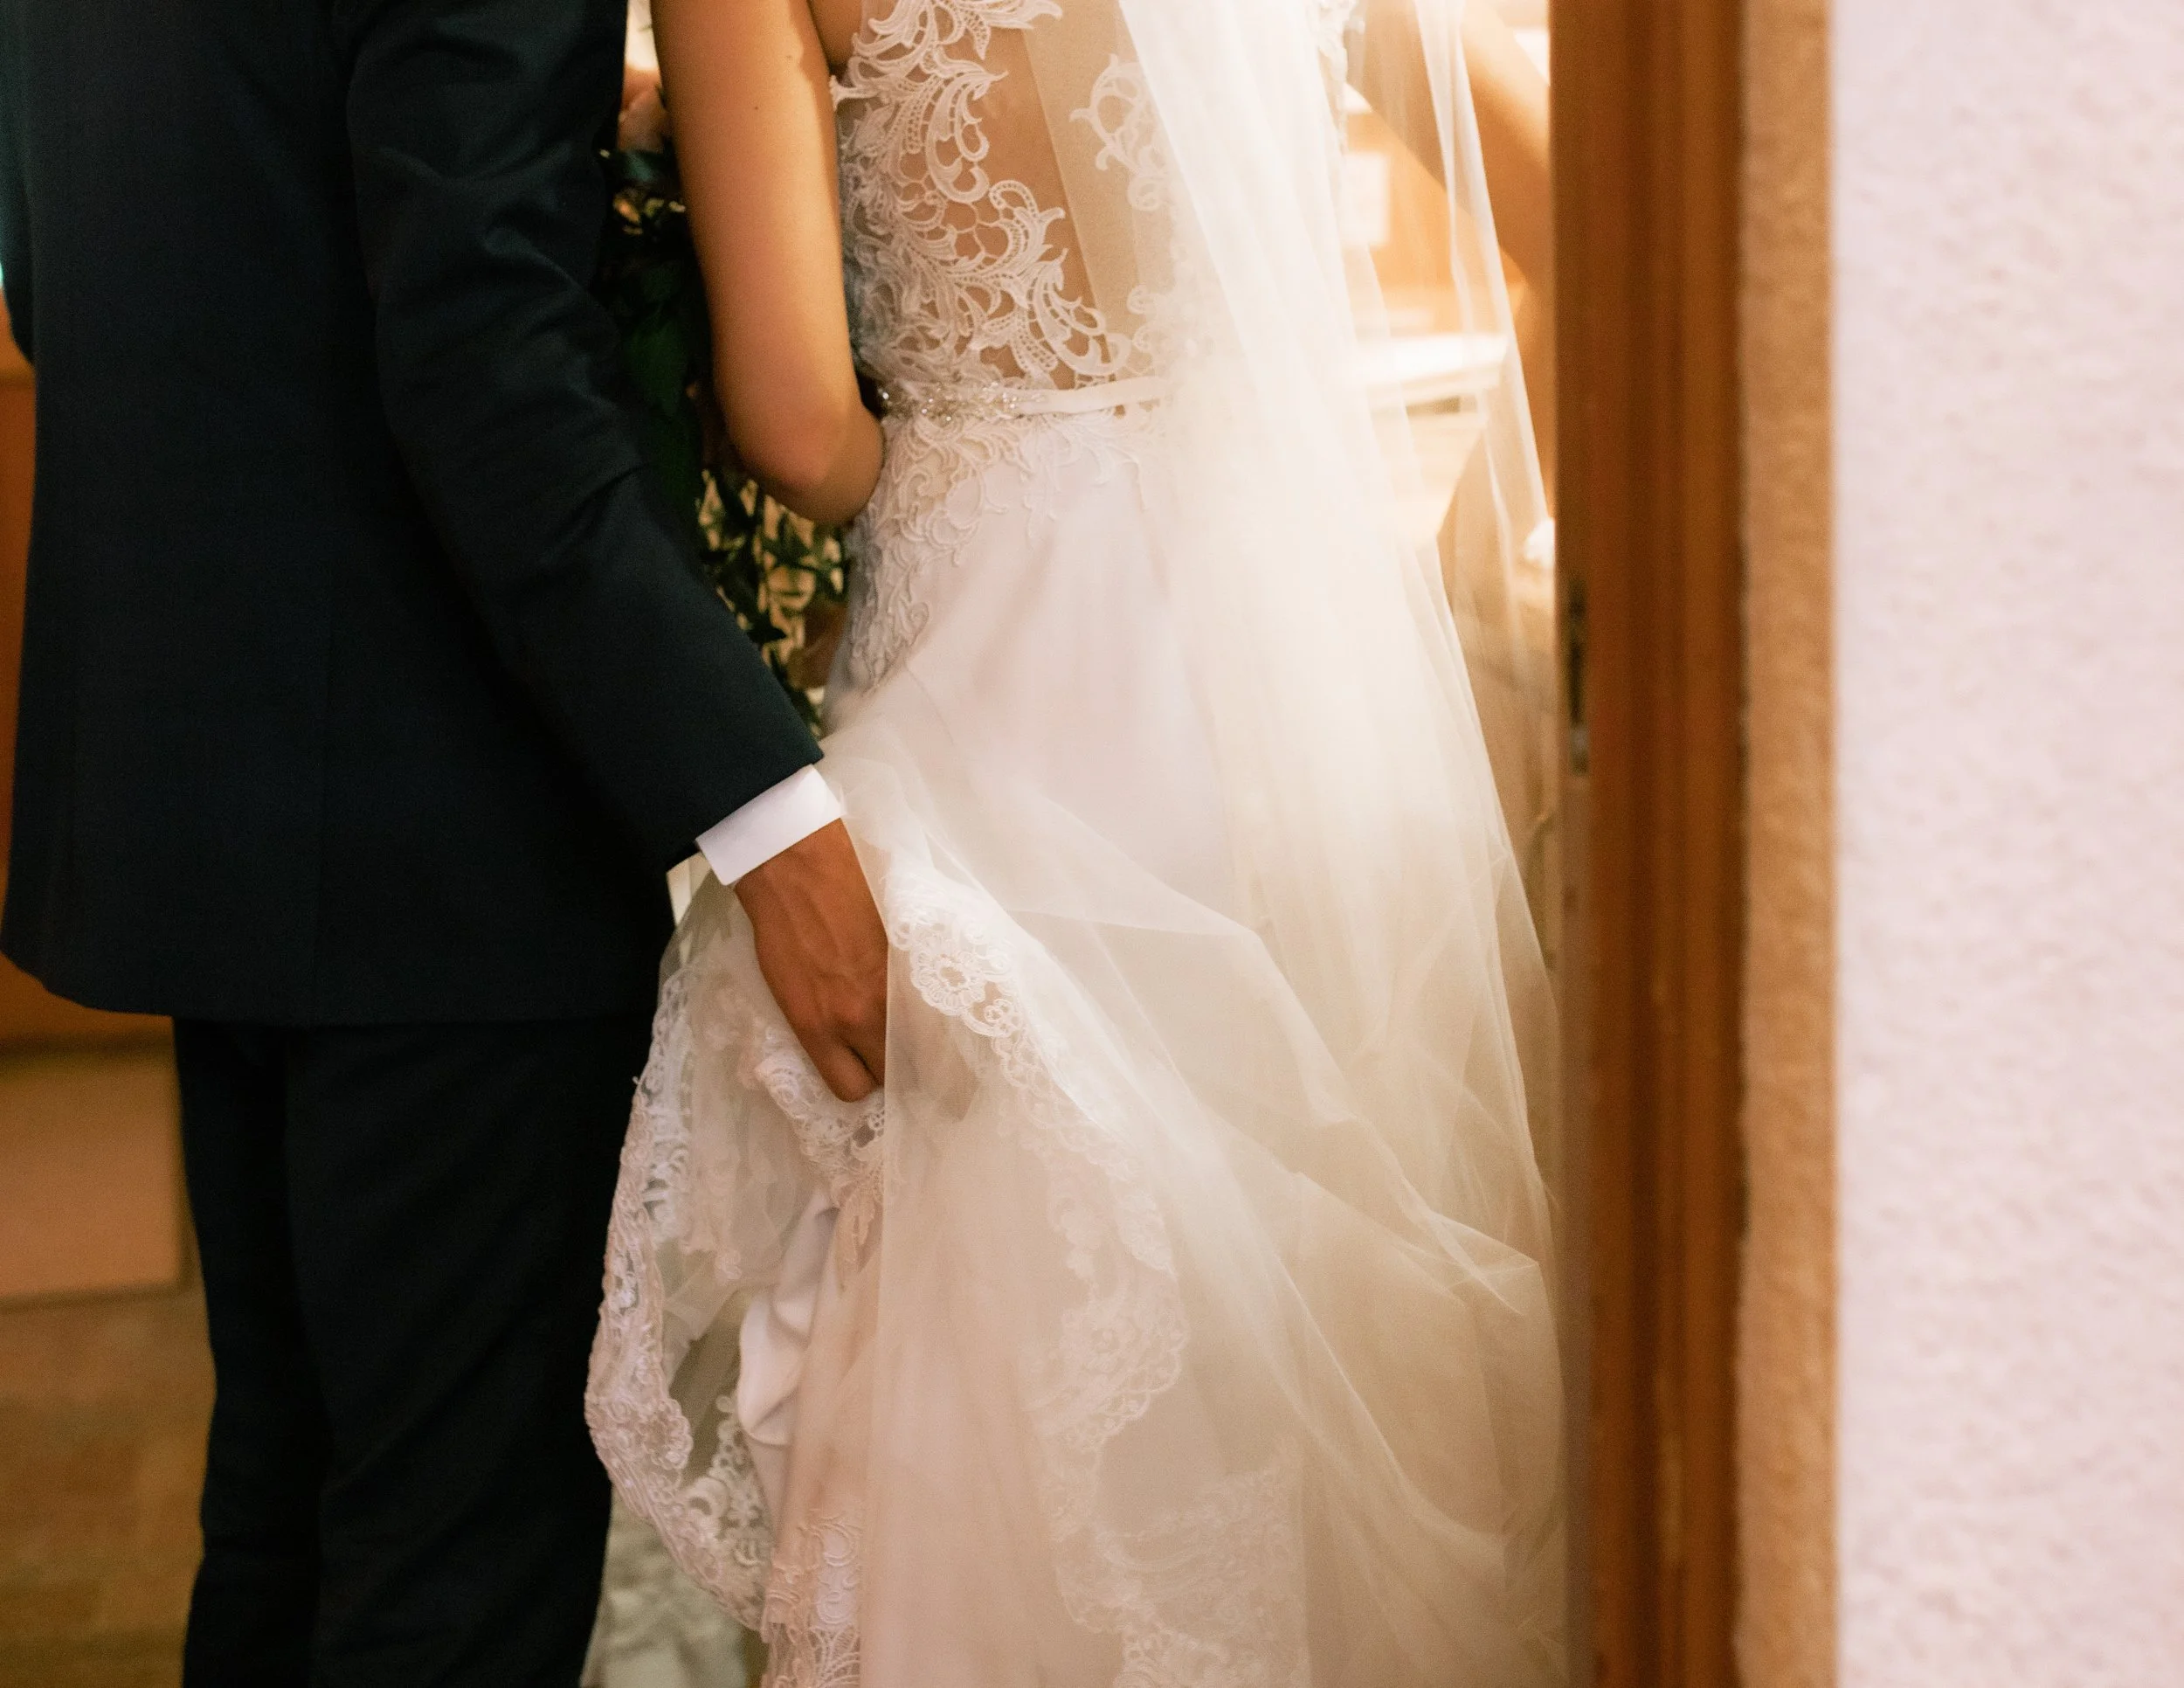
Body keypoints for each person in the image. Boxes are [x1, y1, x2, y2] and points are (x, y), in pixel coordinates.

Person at [586, 0, 1568, 1682]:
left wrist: (964, 450)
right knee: (1291, 1346)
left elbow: (800, 422)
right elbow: (1580, 215)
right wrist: (1465, 593)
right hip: (1302, 693)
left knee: (999, 1346)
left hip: (1004, 697)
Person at [0, 2, 888, 1681]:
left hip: (212, 779)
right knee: (446, 1581)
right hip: (440, 822)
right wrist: (770, 817)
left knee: (287, 1516)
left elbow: (53, 266)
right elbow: (488, 368)